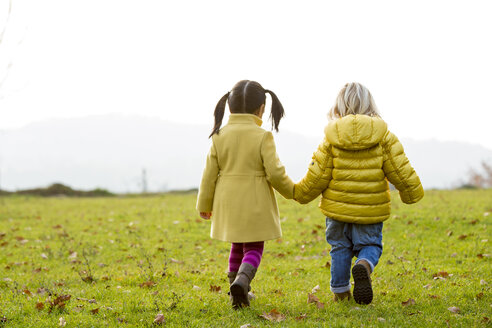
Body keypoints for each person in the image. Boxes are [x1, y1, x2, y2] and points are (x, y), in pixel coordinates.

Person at [294, 82, 424, 305]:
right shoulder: (384, 137)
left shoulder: (330, 139)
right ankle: (364, 264)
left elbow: (318, 175)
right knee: (371, 245)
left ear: (338, 107)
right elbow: (400, 170)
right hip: (370, 210)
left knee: (339, 248)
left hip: (336, 211)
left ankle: (341, 292)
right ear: (370, 105)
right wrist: (411, 192)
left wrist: (300, 193)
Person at [196, 80, 294, 309]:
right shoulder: (262, 136)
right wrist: (292, 192)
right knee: (254, 247)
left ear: (229, 106)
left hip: (227, 202)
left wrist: (204, 203)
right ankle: (242, 281)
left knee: (236, 245)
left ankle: (236, 294)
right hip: (255, 201)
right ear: (261, 108)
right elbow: (276, 173)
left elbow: (209, 174)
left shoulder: (219, 136)